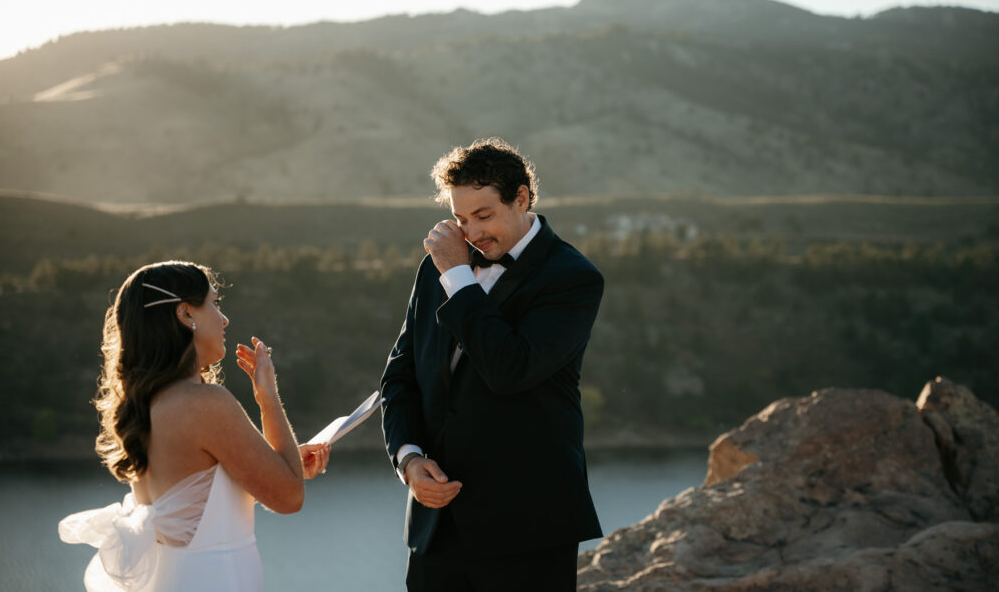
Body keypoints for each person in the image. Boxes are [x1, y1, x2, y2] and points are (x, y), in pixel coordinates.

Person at [381, 138, 605, 591]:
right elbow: (402, 373)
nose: (472, 233)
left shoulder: (572, 278)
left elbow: (510, 369)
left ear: (521, 198)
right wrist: (408, 459)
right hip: (436, 528)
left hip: (529, 528)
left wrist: (459, 277)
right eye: (461, 219)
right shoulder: (436, 269)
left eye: (483, 216)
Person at [59, 261, 330, 591]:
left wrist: (281, 463)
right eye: (214, 304)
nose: (224, 319)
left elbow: (200, 505)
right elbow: (289, 497)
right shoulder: (206, 404)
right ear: (186, 314)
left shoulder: (144, 404)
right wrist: (268, 396)